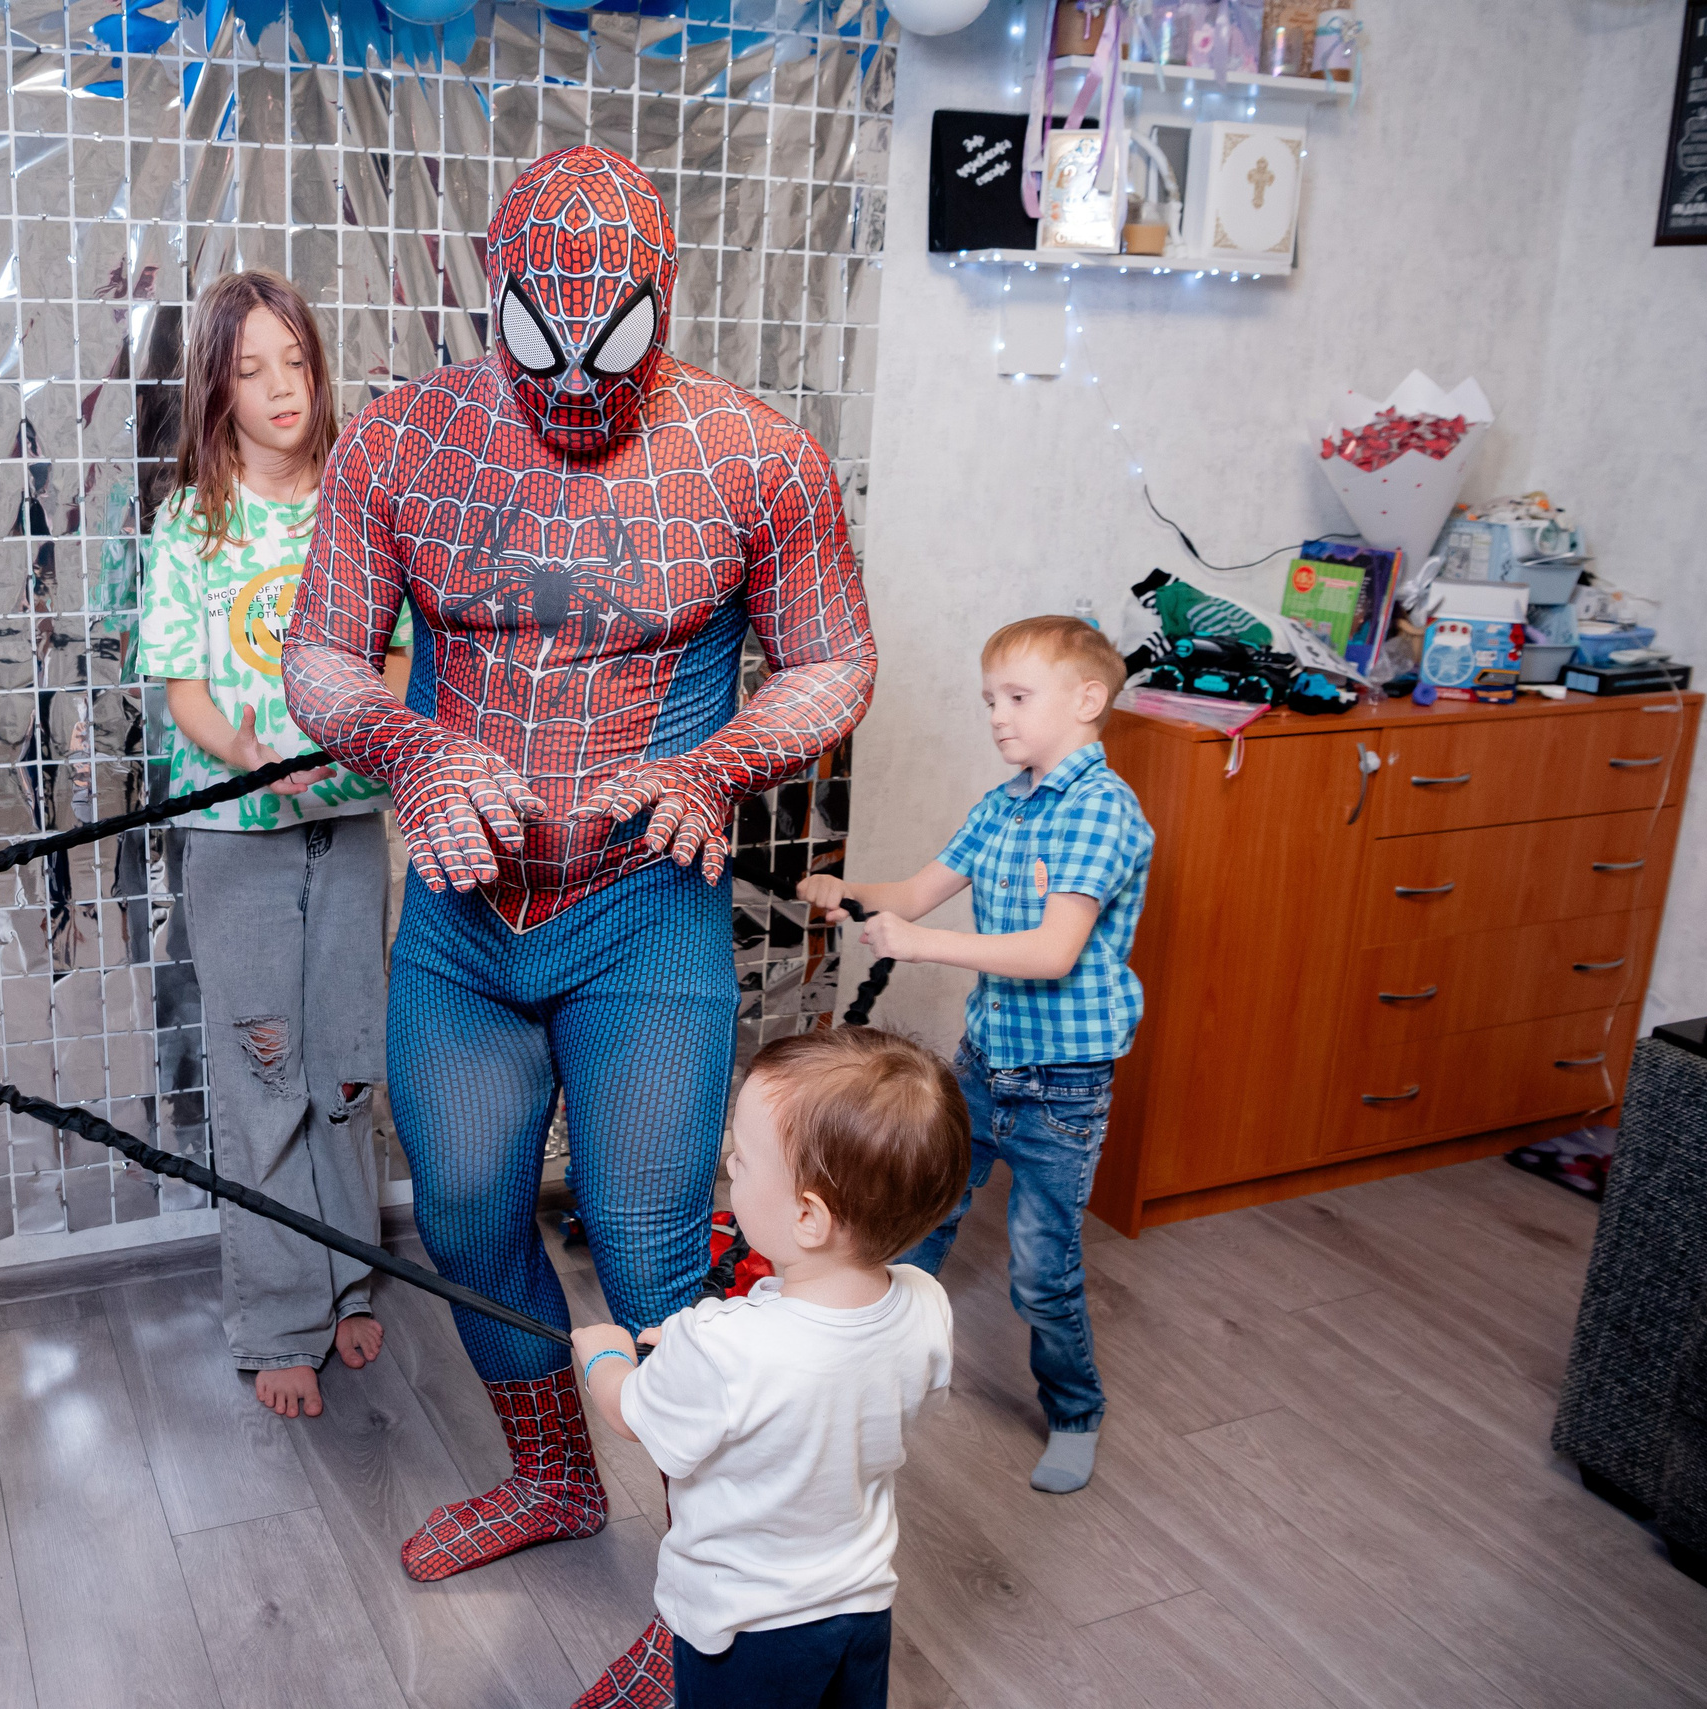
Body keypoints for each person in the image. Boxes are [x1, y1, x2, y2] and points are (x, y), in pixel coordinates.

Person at [284, 146, 875, 1592]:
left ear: (663, 301)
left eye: (608, 347)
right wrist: (413, 752)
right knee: (471, 1210)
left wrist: (714, 763)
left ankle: (719, 1592)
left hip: (645, 917)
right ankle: (555, 1477)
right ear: (493, 297)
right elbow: (319, 656)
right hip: (461, 924)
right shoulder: (399, 444)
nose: (568, 389)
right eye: (536, 342)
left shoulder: (755, 456)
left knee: (654, 1244)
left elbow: (834, 660)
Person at [138, 270, 413, 1419]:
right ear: (217, 387)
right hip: (235, 836)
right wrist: (246, 754)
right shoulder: (190, 518)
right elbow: (180, 685)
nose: (278, 388)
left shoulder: (361, 499)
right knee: (265, 1077)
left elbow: (398, 655)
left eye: (292, 361)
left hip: (347, 829)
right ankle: (277, 1316)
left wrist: (367, 727)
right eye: (249, 369)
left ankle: (351, 1279)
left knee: (347, 1068)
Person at [800, 613, 1152, 1497]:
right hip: (985, 1064)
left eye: (1018, 697)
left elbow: (1051, 952)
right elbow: (917, 891)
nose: (997, 716)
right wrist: (848, 887)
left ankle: (1075, 1410)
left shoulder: (1102, 811)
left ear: (1088, 700)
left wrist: (919, 945)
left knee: (1042, 1270)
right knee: (919, 1220)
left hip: (1062, 1087)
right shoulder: (1001, 806)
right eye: (990, 699)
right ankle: (873, 1374)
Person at [570, 1028, 967, 1709]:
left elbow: (630, 1414)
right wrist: (700, 1342)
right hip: (861, 1600)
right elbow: (829, 1365)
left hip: (745, 1626)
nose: (729, 1160)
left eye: (743, 1160)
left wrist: (603, 1352)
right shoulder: (926, 1302)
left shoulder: (722, 1345)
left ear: (809, 1216)